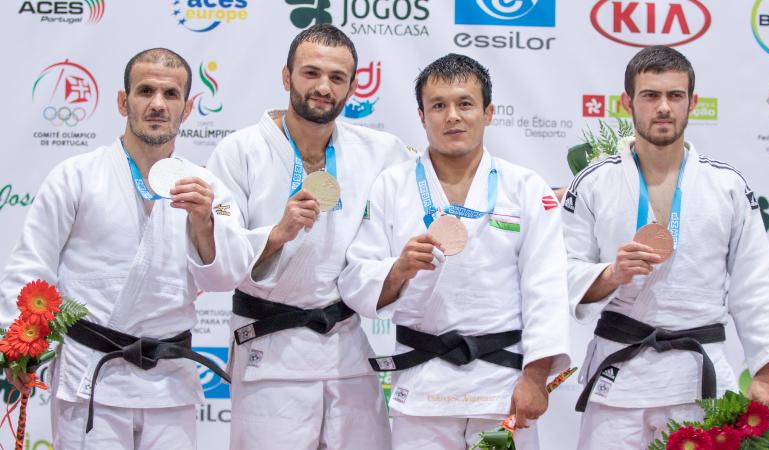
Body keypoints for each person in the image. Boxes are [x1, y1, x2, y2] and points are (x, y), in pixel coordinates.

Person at [0, 48, 252, 449]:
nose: (157, 104)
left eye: (171, 95)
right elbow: (32, 264)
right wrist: (19, 348)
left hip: (169, 380)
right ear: (123, 101)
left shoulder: (208, 188)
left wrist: (204, 221)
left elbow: (225, 278)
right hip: (92, 375)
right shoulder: (76, 176)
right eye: (145, 91)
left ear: (186, 109)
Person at [563, 45, 769, 449]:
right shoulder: (593, 183)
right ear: (627, 102)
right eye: (650, 95)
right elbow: (560, 272)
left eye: (675, 96)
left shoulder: (726, 186)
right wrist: (610, 275)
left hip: (698, 380)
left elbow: (755, 282)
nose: (664, 108)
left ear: (692, 102)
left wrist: (765, 373)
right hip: (620, 378)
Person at [338, 53, 571, 450]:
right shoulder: (391, 186)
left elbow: (546, 287)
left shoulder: (525, 187)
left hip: (503, 385)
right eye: (438, 106)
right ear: (421, 115)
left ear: (488, 112)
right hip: (424, 384)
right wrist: (398, 270)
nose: (452, 116)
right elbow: (356, 278)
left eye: (465, 104)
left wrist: (535, 378)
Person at [206, 24, 412, 450]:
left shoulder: (382, 150)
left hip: (347, 349)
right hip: (271, 350)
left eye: (337, 78)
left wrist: (537, 195)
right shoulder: (239, 151)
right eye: (310, 73)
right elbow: (221, 254)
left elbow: (443, 180)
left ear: (353, 87)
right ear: (286, 77)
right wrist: (276, 235)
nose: (323, 87)